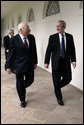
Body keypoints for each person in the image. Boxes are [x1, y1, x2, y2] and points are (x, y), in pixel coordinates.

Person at [44, 20, 76, 106]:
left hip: (65, 63)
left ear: (64, 27)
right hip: (56, 63)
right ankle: (59, 98)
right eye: (56, 26)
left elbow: (72, 49)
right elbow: (48, 50)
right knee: (56, 80)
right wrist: (46, 61)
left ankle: (57, 87)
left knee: (68, 78)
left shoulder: (70, 37)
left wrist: (73, 60)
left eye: (59, 26)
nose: (57, 28)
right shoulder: (52, 37)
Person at [6, 22, 38, 108]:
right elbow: (11, 54)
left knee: (30, 80)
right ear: (20, 30)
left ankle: (20, 88)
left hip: (30, 64)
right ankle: (22, 100)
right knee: (19, 81)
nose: (29, 29)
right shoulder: (14, 39)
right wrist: (8, 66)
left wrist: (35, 62)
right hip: (19, 65)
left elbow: (34, 51)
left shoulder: (31, 37)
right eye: (27, 28)